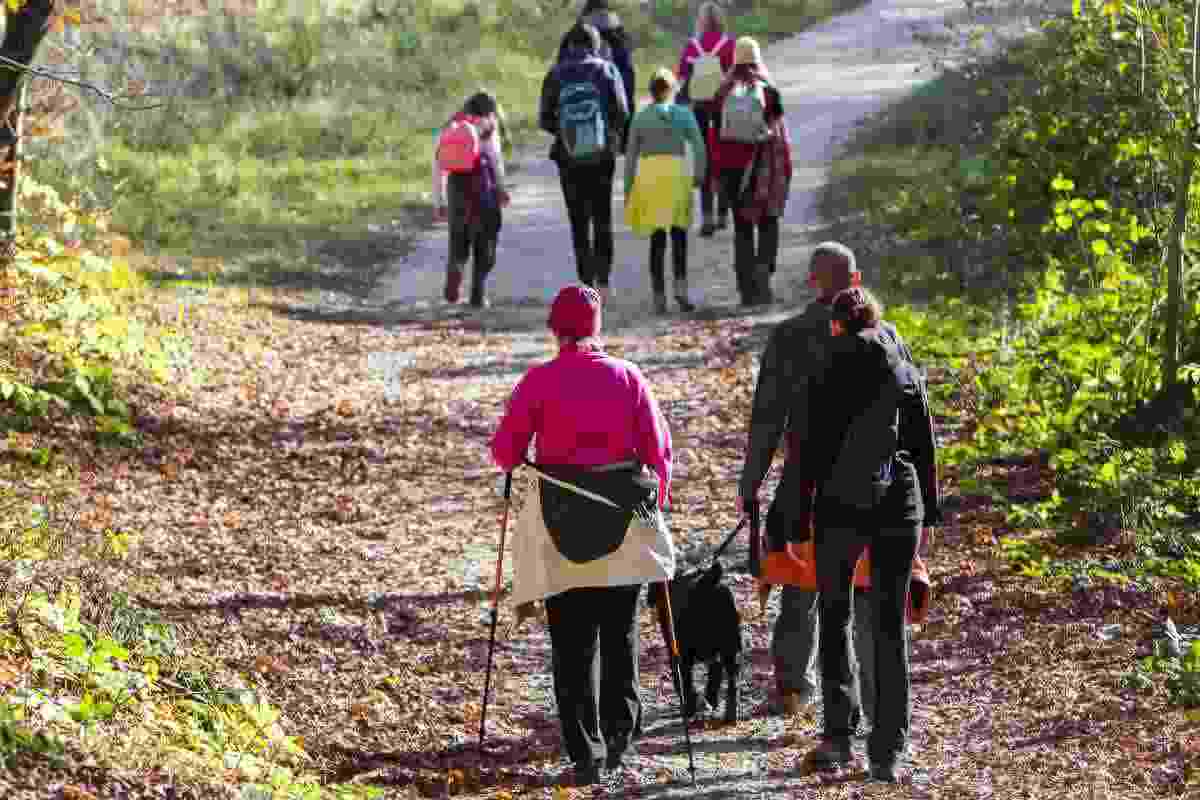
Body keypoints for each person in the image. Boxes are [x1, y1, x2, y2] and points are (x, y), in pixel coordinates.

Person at [491, 284, 674, 786]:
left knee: (571, 644)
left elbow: (506, 453)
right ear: (597, 328)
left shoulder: (539, 381)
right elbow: (658, 454)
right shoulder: (629, 377)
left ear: (554, 329)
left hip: (559, 523)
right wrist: (657, 507)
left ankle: (585, 750)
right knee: (620, 633)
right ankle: (621, 734)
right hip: (621, 519)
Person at [803, 286, 942, 783]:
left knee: (835, 616)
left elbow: (807, 449)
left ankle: (838, 737)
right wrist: (930, 507)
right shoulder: (900, 360)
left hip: (840, 504)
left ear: (837, 323)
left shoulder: (825, 363)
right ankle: (888, 751)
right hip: (899, 500)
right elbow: (924, 436)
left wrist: (797, 512)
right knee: (888, 626)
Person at [736, 243, 866, 716]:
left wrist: (751, 483)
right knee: (860, 584)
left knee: (802, 582)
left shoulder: (790, 336)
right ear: (856, 279)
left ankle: (793, 685)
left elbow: (767, 418)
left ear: (813, 281)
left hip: (806, 481)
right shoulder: (878, 334)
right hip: (865, 481)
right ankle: (853, 692)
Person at [541, 23, 630, 305]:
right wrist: (605, 134)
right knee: (602, 218)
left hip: (568, 159)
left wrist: (568, 134)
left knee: (579, 221)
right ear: (594, 43)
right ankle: (604, 285)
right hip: (602, 156)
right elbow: (622, 111)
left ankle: (586, 286)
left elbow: (544, 119)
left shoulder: (555, 73)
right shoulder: (606, 70)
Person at [707, 36, 791, 306]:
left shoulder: (722, 92)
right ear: (757, 58)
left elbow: (715, 139)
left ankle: (746, 289)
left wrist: (716, 173)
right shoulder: (769, 91)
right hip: (764, 171)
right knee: (769, 222)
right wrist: (785, 169)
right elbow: (779, 135)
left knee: (742, 229)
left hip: (734, 175)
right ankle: (764, 278)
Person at [624, 68, 706, 314]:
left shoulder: (641, 117)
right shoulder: (683, 114)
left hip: (651, 178)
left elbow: (630, 157)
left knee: (657, 239)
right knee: (679, 236)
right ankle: (681, 290)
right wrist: (699, 175)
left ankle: (659, 296)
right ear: (672, 90)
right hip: (676, 176)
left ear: (651, 91)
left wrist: (629, 189)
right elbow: (699, 146)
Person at [433, 90, 511, 307]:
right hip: (483, 189)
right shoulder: (488, 127)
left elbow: (438, 166)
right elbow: (496, 162)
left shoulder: (451, 127)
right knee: (485, 242)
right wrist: (502, 189)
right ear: (490, 111)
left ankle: (454, 276)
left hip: (457, 189)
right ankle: (477, 294)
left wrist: (439, 202)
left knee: (458, 240)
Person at [674, 1, 735, 237]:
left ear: (701, 21)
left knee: (704, 158)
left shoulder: (692, 46)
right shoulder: (729, 45)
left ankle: (707, 216)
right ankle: (723, 213)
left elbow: (681, 77)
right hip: (724, 108)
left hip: (699, 108)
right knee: (725, 156)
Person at [559, 0, 637, 141]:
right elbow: (628, 80)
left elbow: (560, 68)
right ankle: (624, 136)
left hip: (574, 114)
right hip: (610, 112)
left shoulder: (573, 36)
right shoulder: (619, 35)